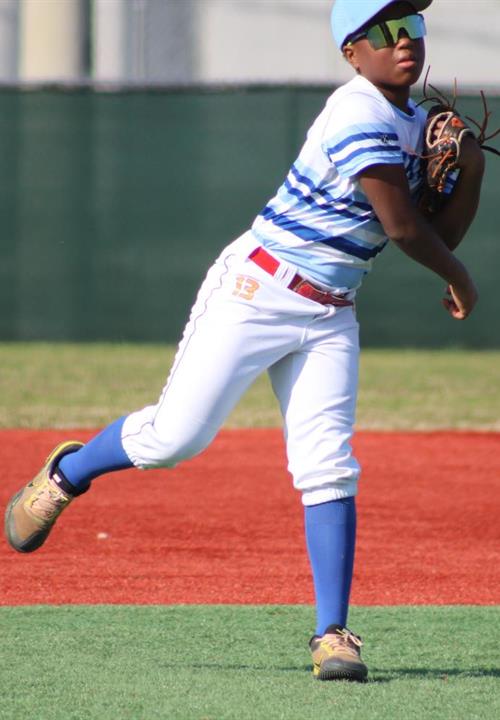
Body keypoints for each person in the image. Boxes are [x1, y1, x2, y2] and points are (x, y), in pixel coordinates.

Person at [5, 0, 485, 682]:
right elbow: (407, 230)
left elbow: (440, 231)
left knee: (328, 464)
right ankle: (67, 473)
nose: (403, 40)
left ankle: (333, 635)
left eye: (412, 26)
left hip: (330, 311)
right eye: (383, 30)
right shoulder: (357, 112)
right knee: (175, 439)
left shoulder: (415, 123)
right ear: (352, 53)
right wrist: (462, 280)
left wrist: (469, 169)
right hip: (257, 292)